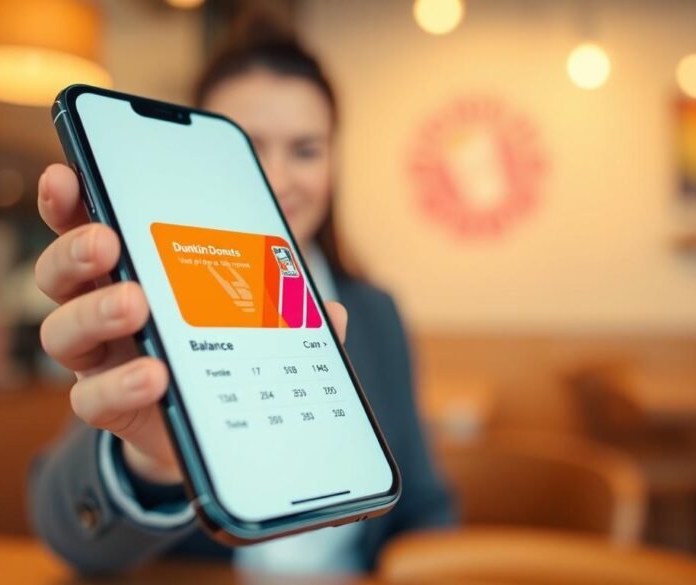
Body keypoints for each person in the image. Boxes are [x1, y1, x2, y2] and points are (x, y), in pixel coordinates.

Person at [29, 19, 453, 576]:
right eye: (249, 150)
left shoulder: (375, 311)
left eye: (305, 150)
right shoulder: (146, 298)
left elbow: (426, 503)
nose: (278, 178)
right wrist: (150, 462)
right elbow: (69, 532)